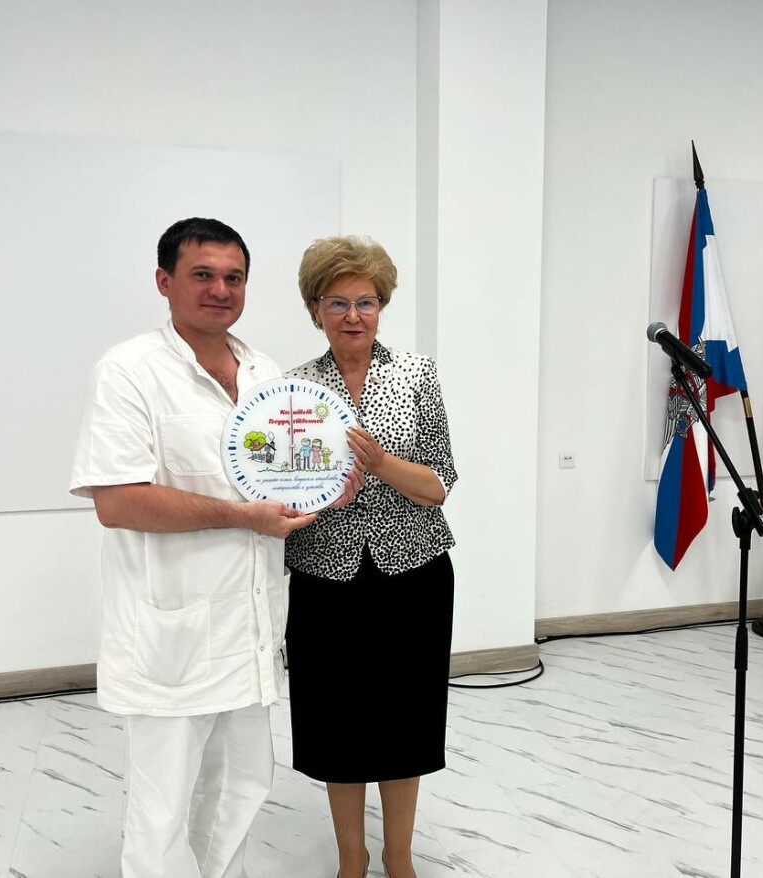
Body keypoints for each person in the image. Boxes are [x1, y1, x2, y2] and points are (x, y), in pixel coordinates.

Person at [69, 218, 359, 878]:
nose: (220, 290)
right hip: (172, 633)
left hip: (249, 627)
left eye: (234, 277)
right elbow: (117, 502)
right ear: (164, 281)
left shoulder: (263, 372)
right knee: (163, 807)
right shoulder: (129, 371)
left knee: (241, 787)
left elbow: (276, 487)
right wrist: (242, 518)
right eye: (202, 275)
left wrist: (321, 495)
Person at [284, 236, 457, 878]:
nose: (353, 315)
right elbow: (278, 491)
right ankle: (351, 859)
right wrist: (318, 497)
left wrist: (381, 464)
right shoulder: (293, 390)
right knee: (337, 724)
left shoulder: (415, 375)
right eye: (337, 302)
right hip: (324, 574)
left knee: (406, 722)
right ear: (315, 309)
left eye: (366, 301)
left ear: (382, 306)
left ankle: (399, 857)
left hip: (412, 572)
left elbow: (439, 483)